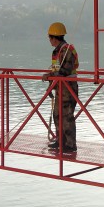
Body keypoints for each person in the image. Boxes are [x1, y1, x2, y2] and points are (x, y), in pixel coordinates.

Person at [41, 22, 79, 153]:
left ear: (54, 38)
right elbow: (56, 70)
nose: (49, 40)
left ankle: (70, 144)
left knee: (67, 116)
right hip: (60, 88)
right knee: (57, 115)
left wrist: (50, 76)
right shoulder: (57, 51)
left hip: (68, 88)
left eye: (49, 38)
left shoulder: (67, 50)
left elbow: (66, 70)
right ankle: (60, 141)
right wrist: (51, 83)